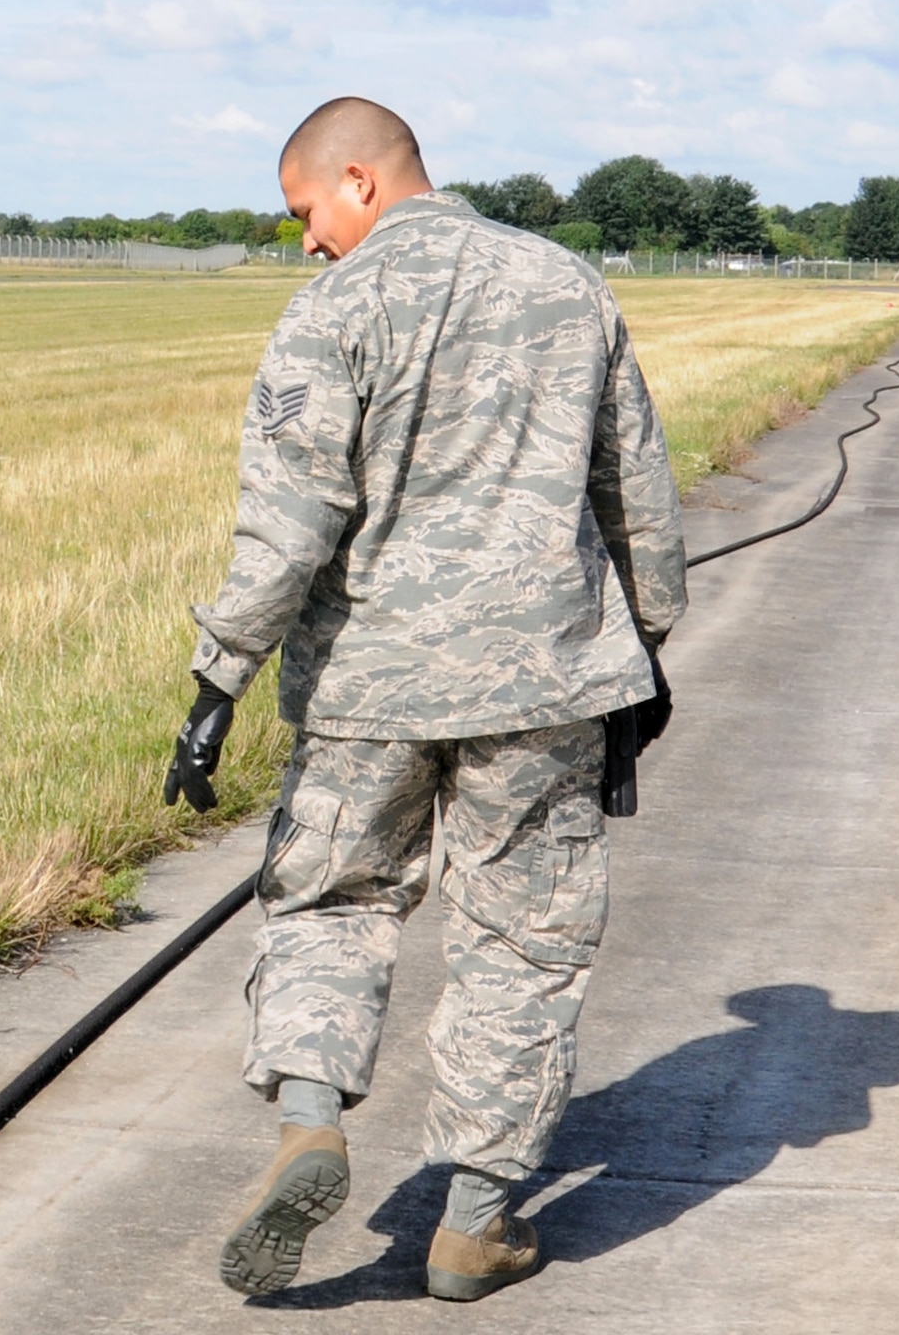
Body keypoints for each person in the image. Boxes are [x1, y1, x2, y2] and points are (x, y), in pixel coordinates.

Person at [164, 97, 685, 1302]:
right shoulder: (568, 286)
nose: (302, 241)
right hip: (544, 684)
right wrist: (644, 647)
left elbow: (286, 524)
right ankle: (475, 1221)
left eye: (303, 212)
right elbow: (635, 489)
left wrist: (216, 679)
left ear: (358, 179)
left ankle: (307, 1120)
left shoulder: (332, 312)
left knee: (327, 902)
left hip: (365, 692)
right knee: (518, 942)